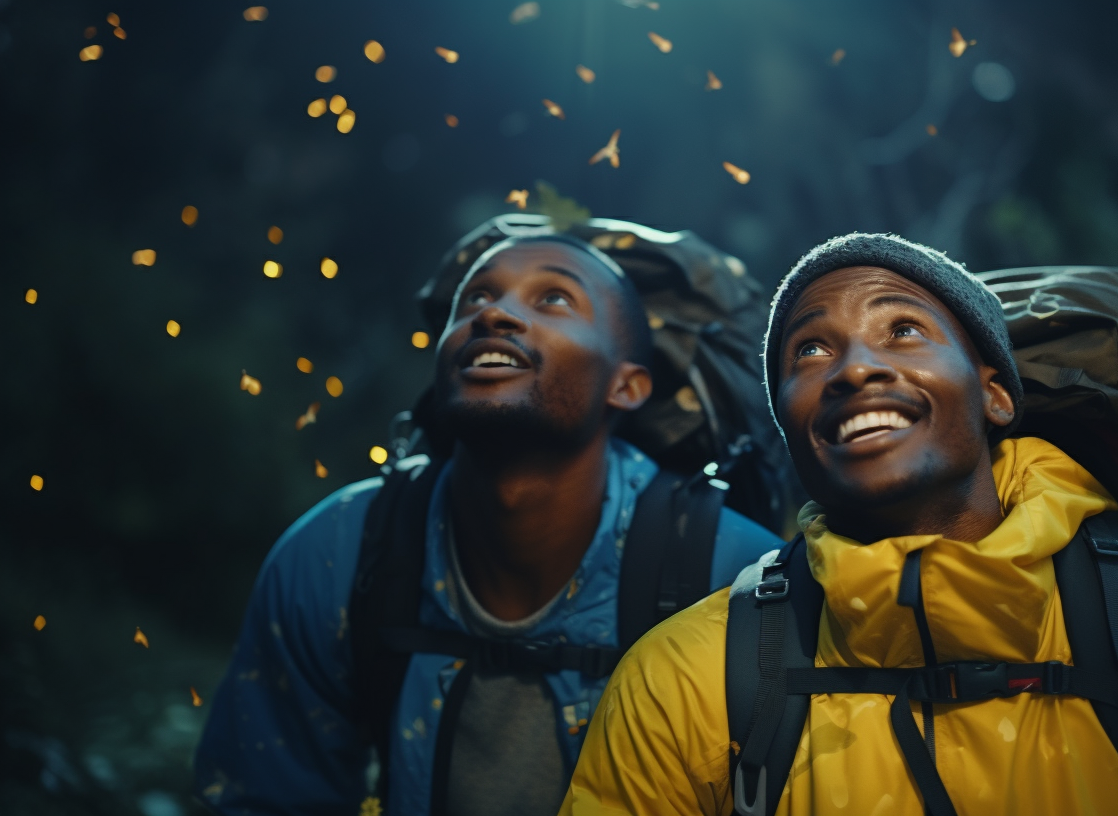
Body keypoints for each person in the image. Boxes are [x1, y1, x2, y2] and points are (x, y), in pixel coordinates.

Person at [560, 233, 1118, 816]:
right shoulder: (686, 678)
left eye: (903, 331)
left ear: (995, 396)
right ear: (790, 428)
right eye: (811, 349)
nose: (853, 369)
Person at [194, 232, 784, 815]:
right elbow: (263, 798)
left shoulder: (733, 583)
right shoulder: (338, 556)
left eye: (553, 299)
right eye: (475, 298)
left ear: (626, 386)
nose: (494, 313)